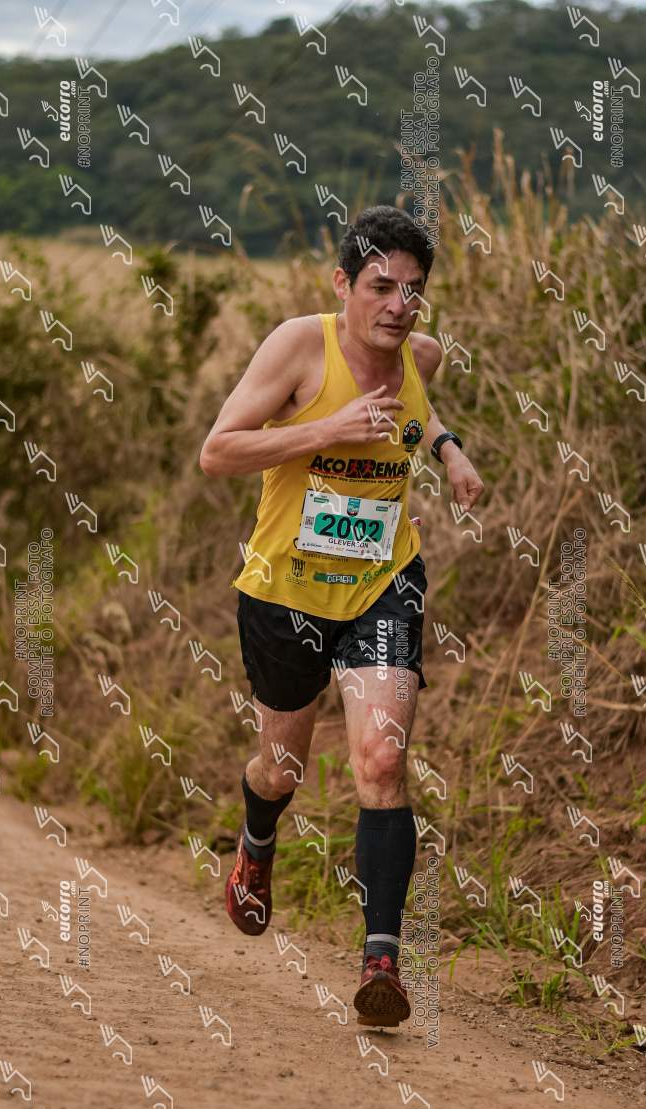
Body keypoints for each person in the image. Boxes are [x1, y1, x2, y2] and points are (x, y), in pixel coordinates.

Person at [200, 205, 484, 1027]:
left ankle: (382, 963)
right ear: (342, 283)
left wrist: (448, 449)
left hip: (381, 584)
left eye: (414, 290)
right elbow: (218, 451)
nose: (399, 305)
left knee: (381, 760)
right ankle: (257, 842)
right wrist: (324, 428)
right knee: (281, 770)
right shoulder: (299, 347)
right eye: (380, 286)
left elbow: (420, 402)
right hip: (285, 591)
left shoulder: (418, 353)